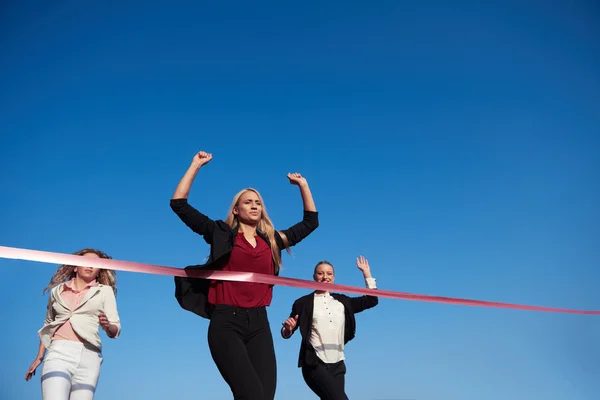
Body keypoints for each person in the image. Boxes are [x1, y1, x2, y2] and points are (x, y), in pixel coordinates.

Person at [170, 150, 319, 400]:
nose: (254, 205)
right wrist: (195, 165)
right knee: (250, 394)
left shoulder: (271, 241)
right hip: (226, 321)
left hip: (260, 323)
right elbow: (179, 205)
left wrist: (303, 185)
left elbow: (310, 222)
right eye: (248, 202)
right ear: (236, 210)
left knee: (265, 396)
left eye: (258, 202)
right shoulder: (220, 233)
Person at [24, 248, 122, 400]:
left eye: (95, 264)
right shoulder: (57, 291)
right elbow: (49, 323)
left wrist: (108, 327)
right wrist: (40, 356)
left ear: (99, 271)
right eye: (86, 262)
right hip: (59, 352)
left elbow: (115, 328)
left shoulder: (105, 292)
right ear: (75, 266)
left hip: (90, 357)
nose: (90, 266)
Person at [281, 256, 379, 400]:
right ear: (314, 276)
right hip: (314, 364)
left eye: (329, 273)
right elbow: (286, 332)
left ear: (333, 277)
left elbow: (372, 300)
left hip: (338, 364)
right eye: (320, 273)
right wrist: (288, 329)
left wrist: (366, 273)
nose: (325, 277)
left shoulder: (343, 302)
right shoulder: (303, 303)